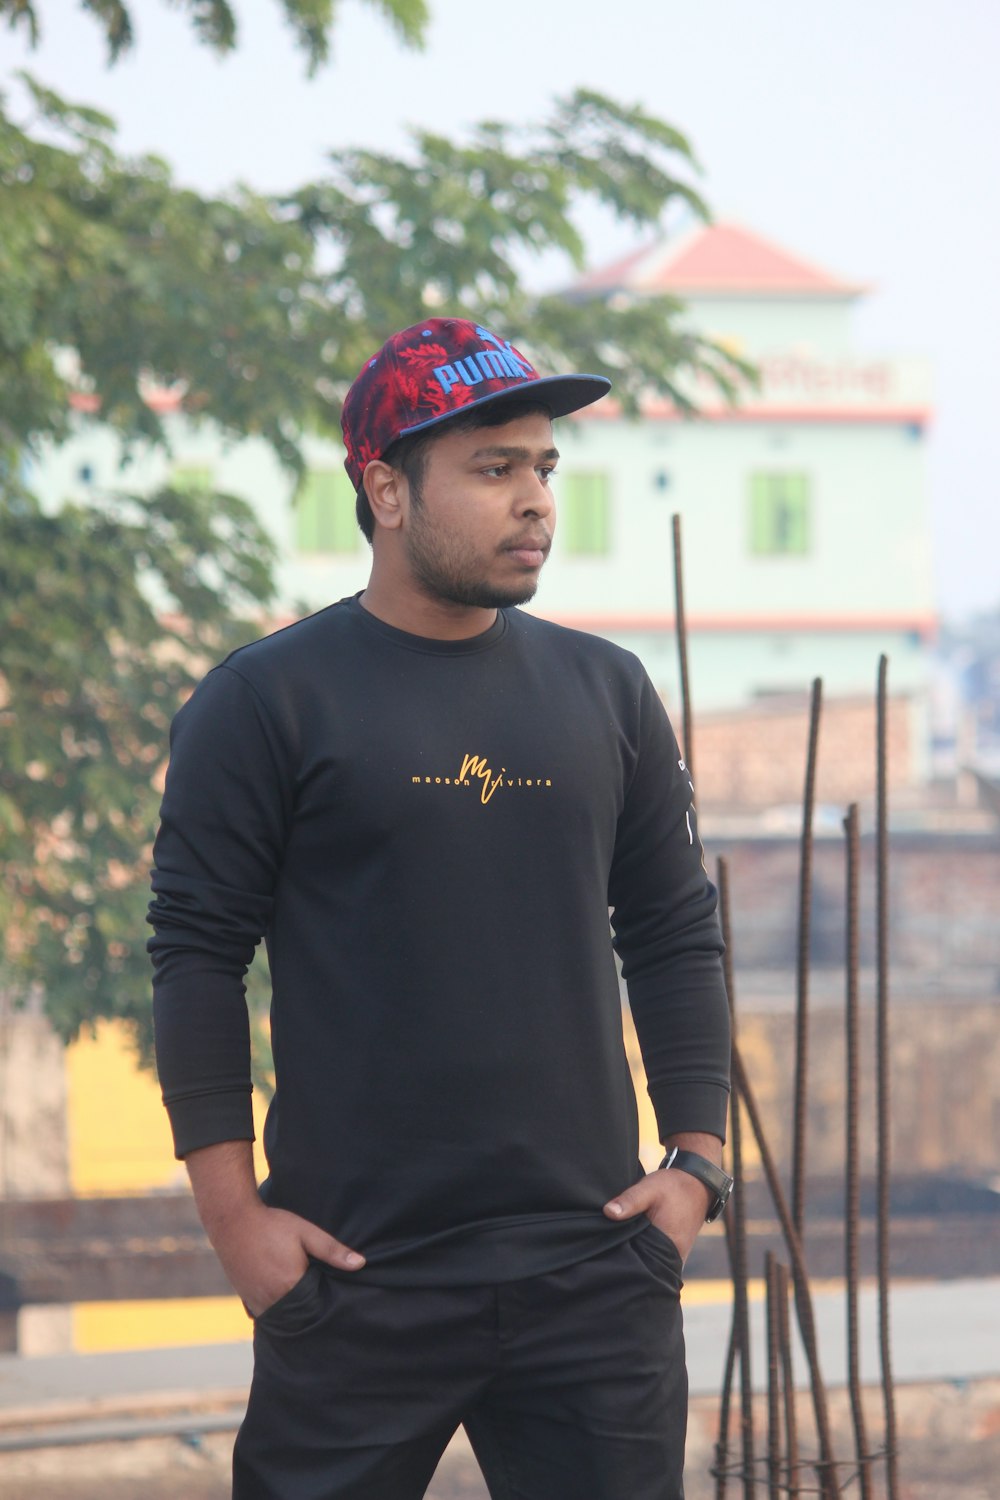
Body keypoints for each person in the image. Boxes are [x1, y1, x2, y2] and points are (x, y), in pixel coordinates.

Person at [148, 316, 733, 1500]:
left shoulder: (604, 689)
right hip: (356, 1283)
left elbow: (672, 931)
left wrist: (697, 1165)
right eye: (492, 467)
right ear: (387, 490)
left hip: (594, 1274)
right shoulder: (267, 700)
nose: (534, 501)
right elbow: (198, 956)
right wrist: (237, 1227)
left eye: (542, 468)